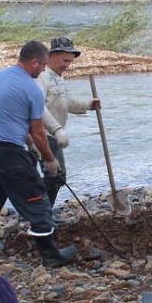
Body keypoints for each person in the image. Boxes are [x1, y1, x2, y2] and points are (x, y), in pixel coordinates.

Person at [0, 41, 76, 269]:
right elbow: (38, 133)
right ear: (34, 62)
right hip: (8, 152)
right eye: (42, 65)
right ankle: (51, 255)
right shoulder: (32, 89)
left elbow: (12, 118)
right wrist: (49, 161)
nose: (43, 70)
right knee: (36, 198)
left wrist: (29, 145)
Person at [35, 37, 101, 210]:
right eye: (65, 61)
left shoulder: (58, 77)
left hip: (55, 135)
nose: (67, 65)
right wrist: (56, 130)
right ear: (51, 55)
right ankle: (42, 213)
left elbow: (65, 102)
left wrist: (87, 105)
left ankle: (42, 211)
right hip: (44, 134)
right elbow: (37, 106)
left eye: (70, 62)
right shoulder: (41, 76)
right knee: (56, 175)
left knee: (57, 176)